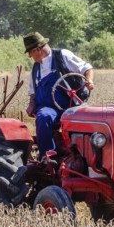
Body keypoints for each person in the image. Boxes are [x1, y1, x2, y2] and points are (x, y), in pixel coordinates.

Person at [23, 32, 95, 160]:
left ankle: (89, 154)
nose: (29, 56)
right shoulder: (35, 69)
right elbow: (33, 91)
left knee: (91, 118)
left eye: (30, 52)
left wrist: (89, 80)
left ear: (38, 50)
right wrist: (31, 104)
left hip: (70, 106)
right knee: (43, 116)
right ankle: (48, 157)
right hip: (49, 109)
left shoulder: (62, 56)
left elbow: (86, 68)